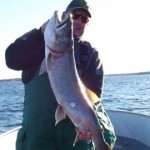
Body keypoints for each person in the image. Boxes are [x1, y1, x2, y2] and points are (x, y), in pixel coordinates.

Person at [5, 0, 116, 150]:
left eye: (84, 19)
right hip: (38, 138)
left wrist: (85, 125)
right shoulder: (37, 43)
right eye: (75, 15)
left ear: (87, 24)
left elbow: (93, 96)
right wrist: (38, 34)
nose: (78, 21)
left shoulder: (90, 54)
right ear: (66, 15)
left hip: (74, 139)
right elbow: (12, 60)